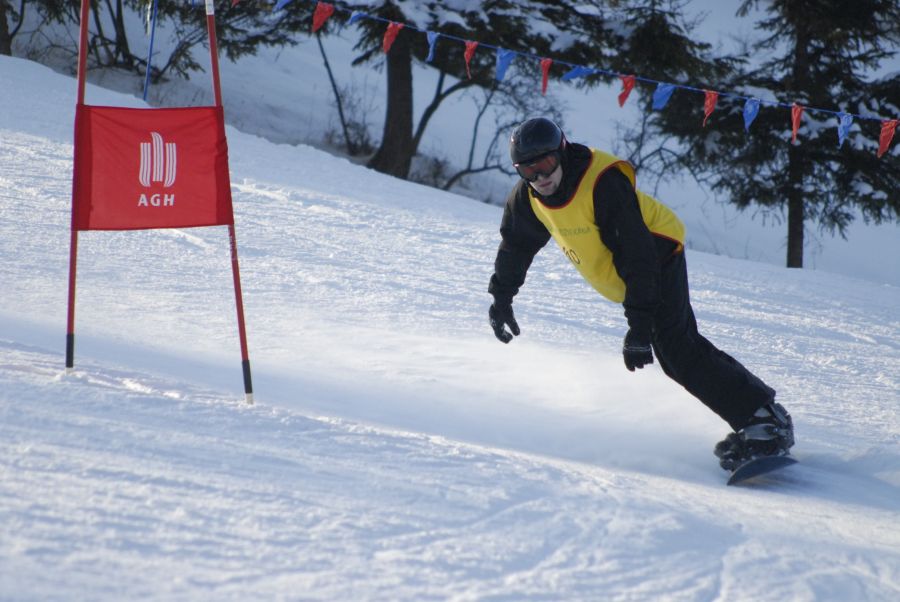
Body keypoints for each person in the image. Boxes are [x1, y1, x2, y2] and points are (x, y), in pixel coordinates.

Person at [487, 117, 794, 470]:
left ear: (562, 152)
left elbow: (638, 256)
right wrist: (502, 298)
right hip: (632, 272)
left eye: (546, 164)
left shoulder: (602, 184)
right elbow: (516, 246)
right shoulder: (528, 197)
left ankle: (765, 421)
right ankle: (764, 416)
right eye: (529, 169)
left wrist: (638, 325)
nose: (541, 177)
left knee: (678, 349)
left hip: (656, 252)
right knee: (677, 351)